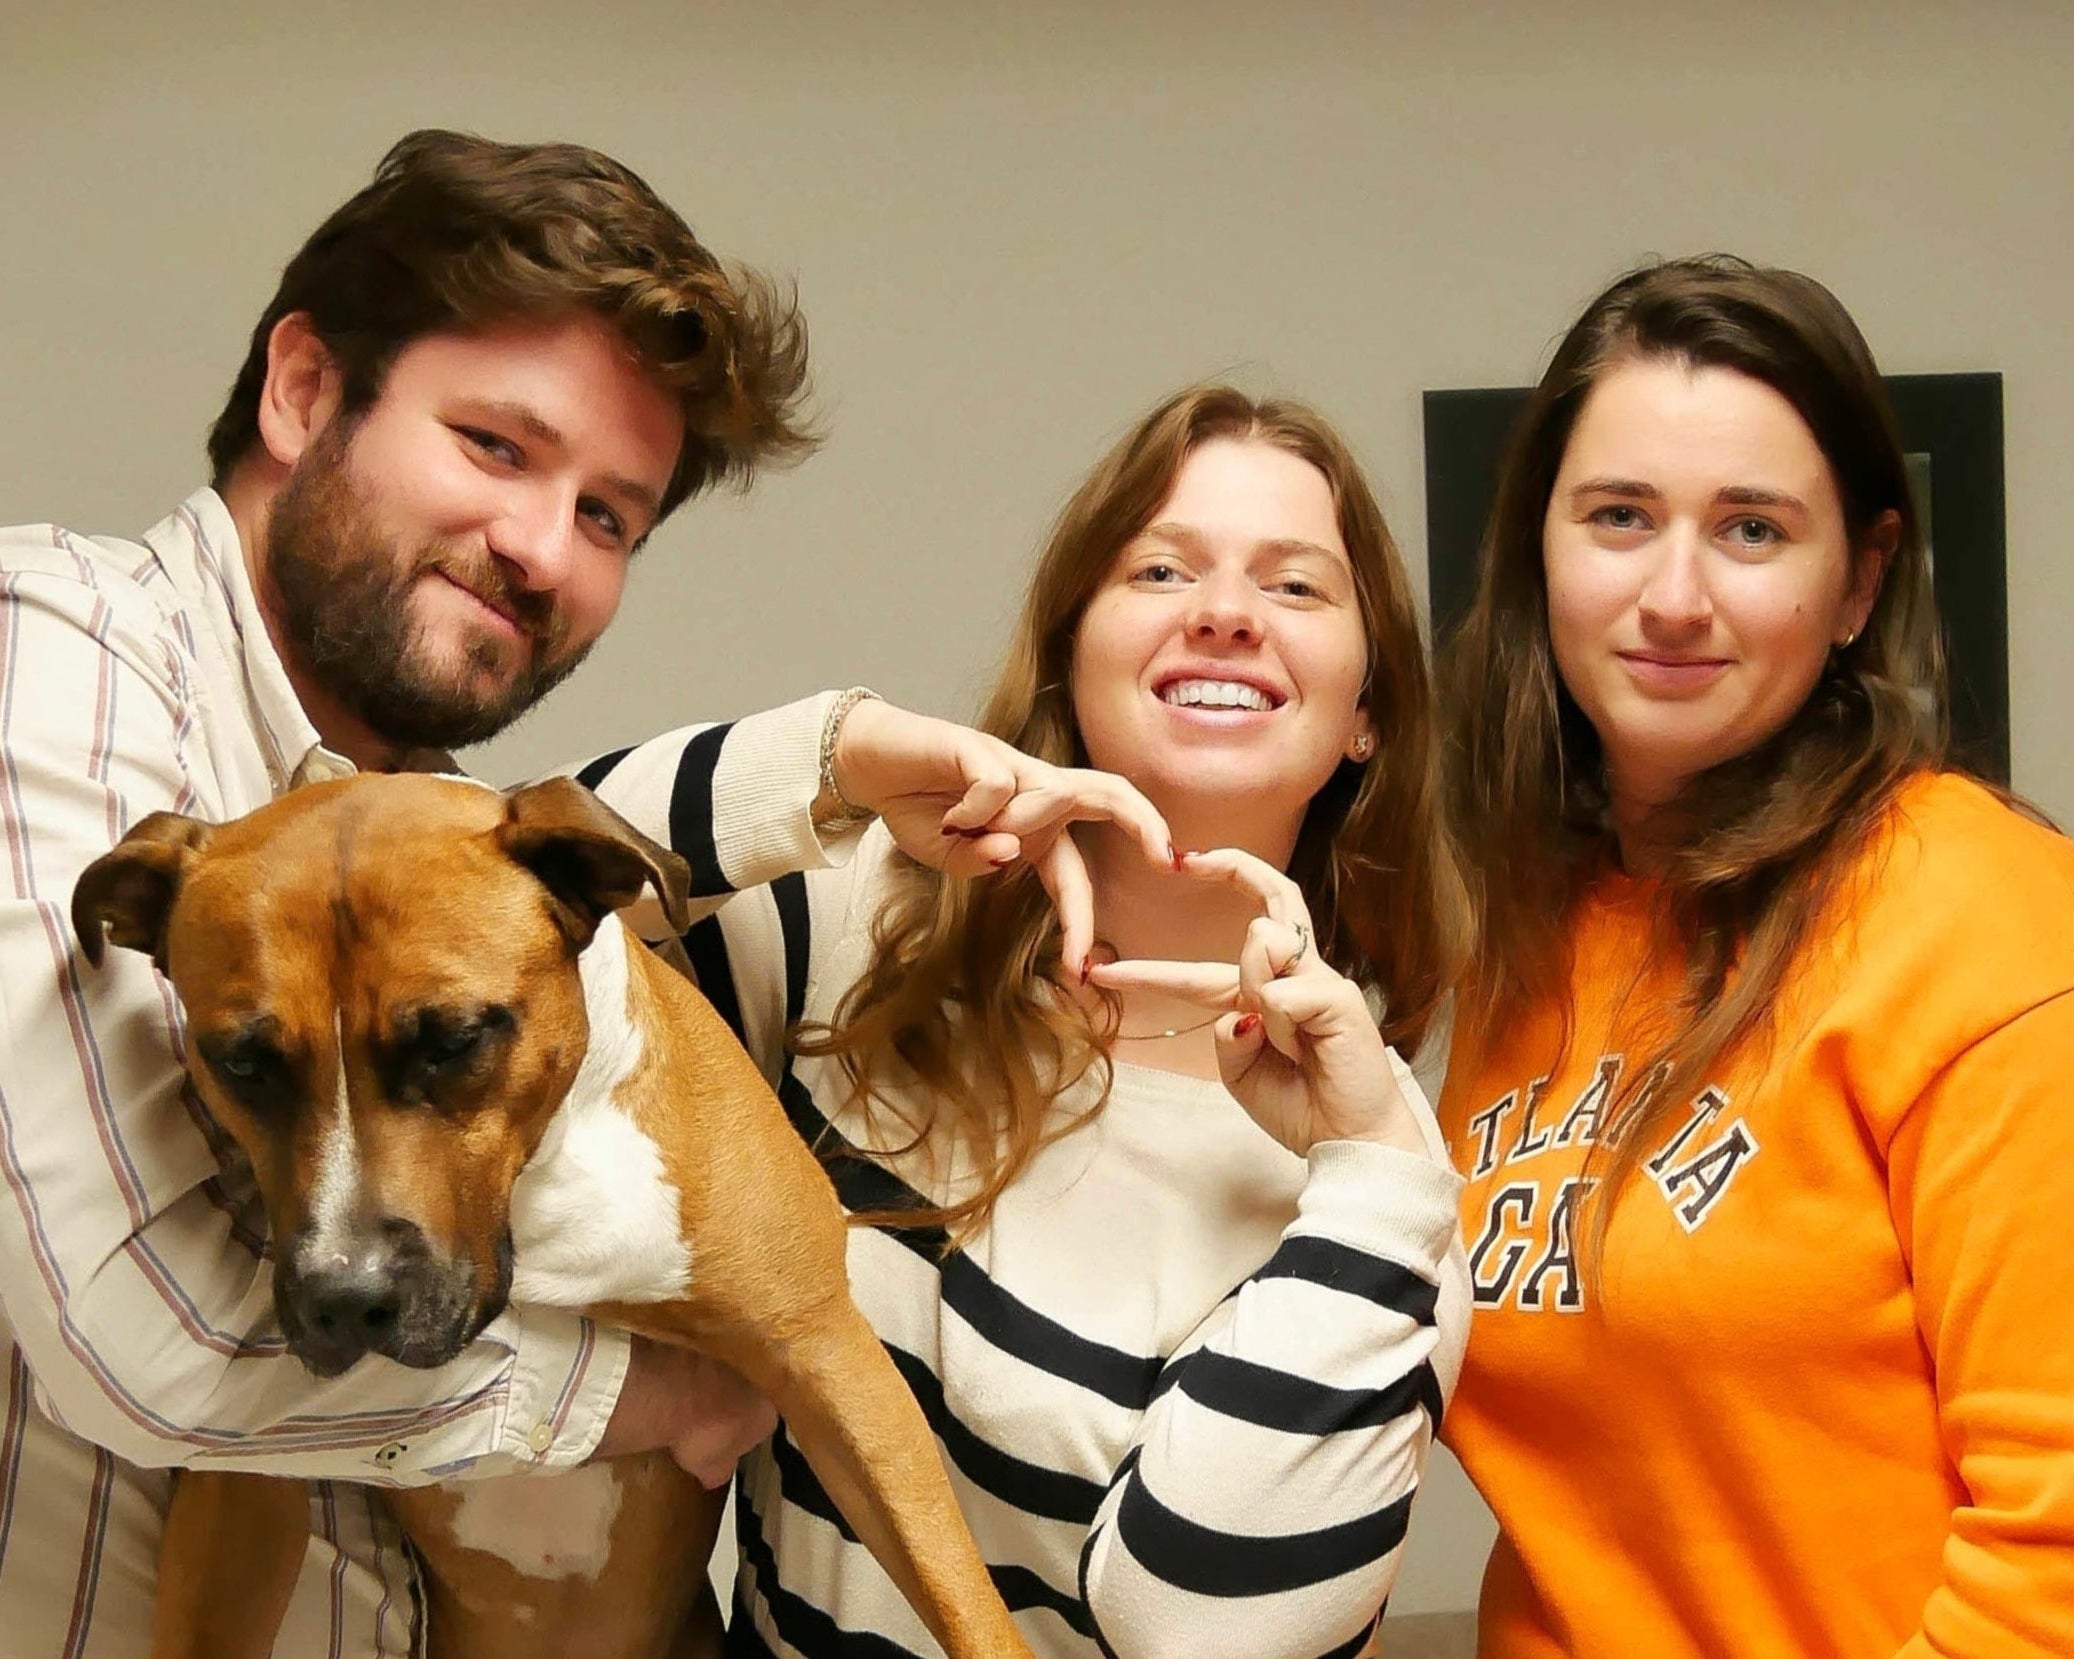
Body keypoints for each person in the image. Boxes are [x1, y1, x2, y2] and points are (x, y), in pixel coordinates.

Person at [0, 129, 810, 1654]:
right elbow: (137, 1331)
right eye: (496, 447)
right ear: (303, 389)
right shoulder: (52, 647)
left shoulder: (424, 840)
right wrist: (661, 1389)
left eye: (606, 516)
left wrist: (825, 764)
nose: (535, 548)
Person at [581, 383, 1473, 1657]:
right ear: (1068, 647)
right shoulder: (854, 935)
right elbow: (498, 898)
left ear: (1367, 712)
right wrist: (832, 757)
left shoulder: (1380, 1176)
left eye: (1294, 588)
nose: (1223, 613)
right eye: (1160, 568)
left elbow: (1198, 1634)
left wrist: (1374, 1184)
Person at [1434, 256, 2074, 1655]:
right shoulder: (1532, 931)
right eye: (1616, 516)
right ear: (1537, 554)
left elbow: (2054, 1554)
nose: (1672, 593)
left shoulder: (1986, 922)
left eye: (1750, 529)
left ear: (1858, 582)